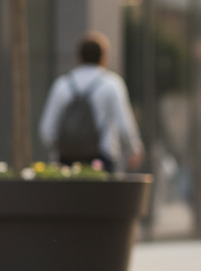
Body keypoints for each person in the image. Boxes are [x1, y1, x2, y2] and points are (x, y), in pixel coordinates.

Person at [38, 32, 144, 172]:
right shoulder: (111, 84)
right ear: (104, 57)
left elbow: (46, 130)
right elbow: (124, 123)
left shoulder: (62, 85)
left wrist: (59, 149)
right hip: (102, 159)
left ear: (79, 57)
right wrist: (134, 148)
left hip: (65, 160)